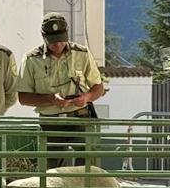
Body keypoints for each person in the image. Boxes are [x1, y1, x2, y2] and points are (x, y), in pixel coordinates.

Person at [17, 13, 105, 166]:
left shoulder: (82, 53)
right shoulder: (31, 59)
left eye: (61, 39)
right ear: (43, 37)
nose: (57, 44)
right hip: (50, 121)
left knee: (89, 165)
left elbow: (98, 88)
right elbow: (23, 97)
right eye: (52, 41)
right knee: (49, 168)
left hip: (80, 118)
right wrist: (50, 99)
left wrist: (86, 98)